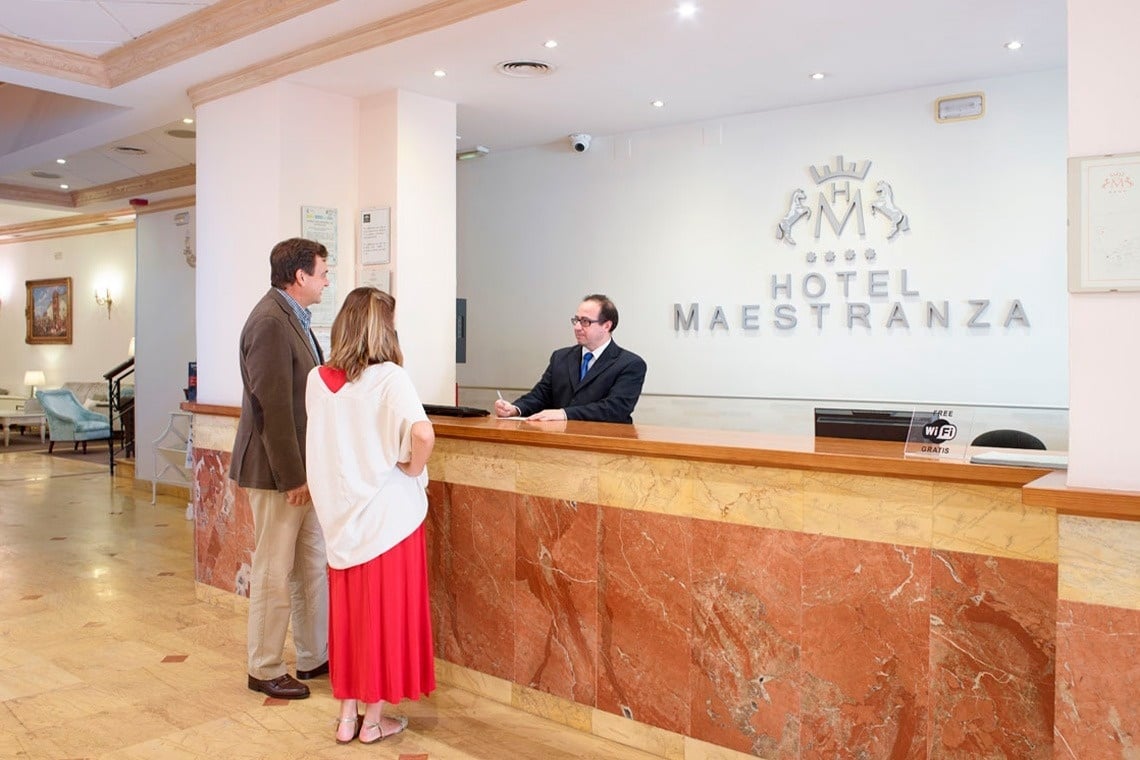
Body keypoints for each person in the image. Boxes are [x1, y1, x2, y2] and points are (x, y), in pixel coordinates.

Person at [305, 286, 436, 745]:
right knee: (384, 616)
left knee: (350, 618)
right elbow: (423, 433)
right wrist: (411, 468)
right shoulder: (390, 378)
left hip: (341, 519)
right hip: (388, 518)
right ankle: (375, 720)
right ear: (384, 329)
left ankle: (346, 717)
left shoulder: (318, 379)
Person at [231, 237, 331, 700]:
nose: (327, 279)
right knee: (274, 568)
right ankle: (264, 666)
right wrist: (292, 476)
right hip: (278, 472)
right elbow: (271, 407)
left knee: (310, 563)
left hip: (303, 471)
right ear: (300, 277)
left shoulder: (295, 318)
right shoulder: (271, 321)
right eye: (322, 272)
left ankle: (314, 655)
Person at [494, 293, 646, 424]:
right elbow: (540, 395)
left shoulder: (630, 364)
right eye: (576, 320)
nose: (577, 327)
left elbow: (615, 409)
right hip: (559, 444)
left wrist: (564, 414)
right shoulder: (560, 357)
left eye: (585, 322)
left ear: (606, 326)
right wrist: (515, 409)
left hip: (604, 446)